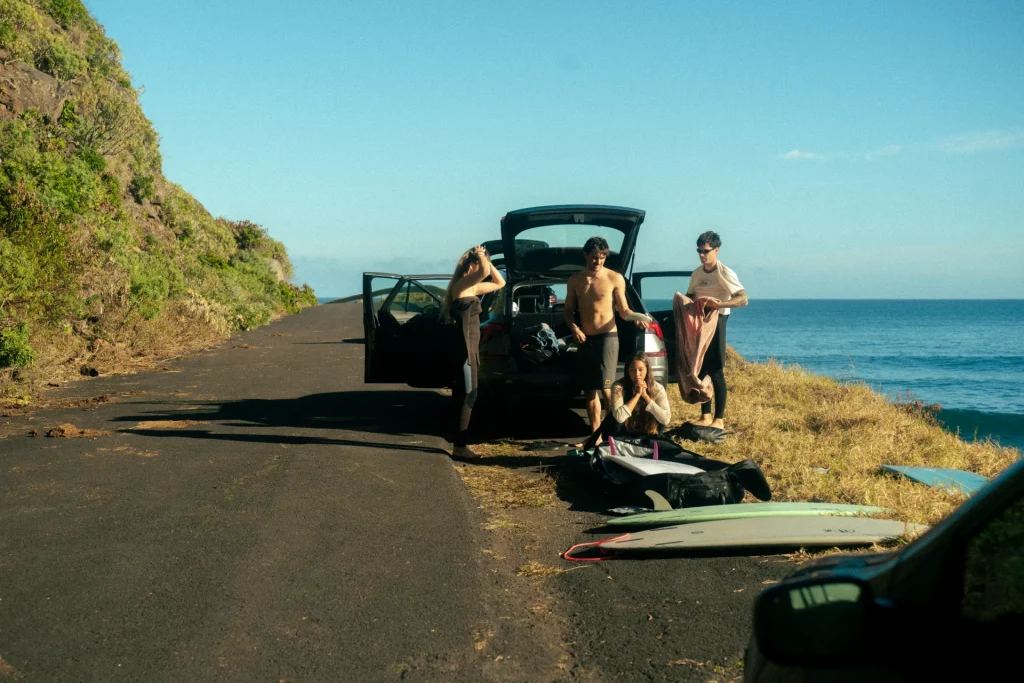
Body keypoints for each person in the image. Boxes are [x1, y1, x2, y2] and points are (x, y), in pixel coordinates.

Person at [564, 236, 651, 446]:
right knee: (590, 390)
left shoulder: (614, 278)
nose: (598, 261)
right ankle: (595, 436)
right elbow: (568, 312)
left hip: (608, 338)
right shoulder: (575, 280)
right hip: (585, 339)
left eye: (602, 257)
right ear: (586, 255)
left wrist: (639, 319)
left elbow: (624, 311)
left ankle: (615, 433)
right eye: (594, 257)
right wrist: (574, 328)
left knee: (607, 388)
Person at [442, 245, 506, 459]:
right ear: (472, 265)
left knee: (467, 394)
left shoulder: (471, 287)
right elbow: (485, 273)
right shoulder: (462, 285)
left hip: (470, 349)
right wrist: (480, 254)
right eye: (480, 262)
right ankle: (460, 447)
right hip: (464, 349)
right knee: (468, 394)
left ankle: (459, 443)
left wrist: (488, 260)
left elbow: (500, 283)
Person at [684, 231, 747, 429]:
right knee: (701, 368)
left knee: (717, 369)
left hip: (718, 320)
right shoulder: (697, 273)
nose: (702, 255)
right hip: (700, 322)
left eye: (705, 251)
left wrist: (718, 305)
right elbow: (690, 295)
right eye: (699, 251)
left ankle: (719, 419)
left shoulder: (724, 272)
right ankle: (705, 415)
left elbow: (743, 298)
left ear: (716, 250)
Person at [583, 351, 671, 450]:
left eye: (641, 370)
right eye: (632, 370)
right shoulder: (618, 386)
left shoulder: (657, 388)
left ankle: (648, 444)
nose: (637, 374)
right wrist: (637, 395)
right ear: (627, 371)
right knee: (613, 418)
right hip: (625, 432)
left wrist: (646, 396)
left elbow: (666, 419)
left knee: (660, 415)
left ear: (647, 370)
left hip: (647, 431)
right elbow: (619, 418)